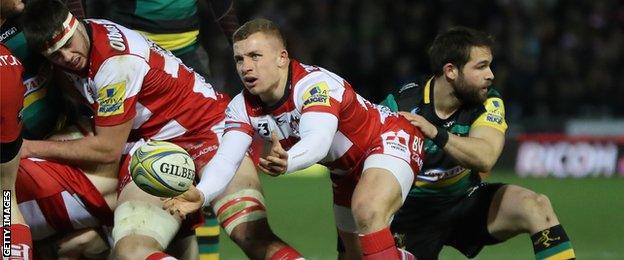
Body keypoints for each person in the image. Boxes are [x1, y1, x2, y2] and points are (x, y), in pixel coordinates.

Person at [19, 1, 298, 259]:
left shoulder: (116, 63)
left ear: (75, 25)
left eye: (69, 44)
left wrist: (27, 147)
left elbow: (106, 149)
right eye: (56, 55)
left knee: (248, 232)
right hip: (151, 148)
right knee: (130, 252)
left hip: (210, 129)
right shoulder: (84, 44)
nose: (67, 56)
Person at [163, 18, 424, 260]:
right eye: (239, 59)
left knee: (367, 210)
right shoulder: (240, 107)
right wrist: (202, 193)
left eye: (255, 56)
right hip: (344, 172)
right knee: (355, 256)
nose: (246, 67)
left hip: (388, 137)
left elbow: (318, 139)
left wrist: (289, 160)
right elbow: (226, 160)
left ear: (282, 58)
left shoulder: (314, 85)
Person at [379, 27, 575, 260]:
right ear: (451, 71)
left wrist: (435, 133)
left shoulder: (488, 100)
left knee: (536, 206)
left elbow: (486, 156)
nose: (491, 74)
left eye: (489, 65)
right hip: (412, 215)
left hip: (465, 202)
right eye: (481, 66)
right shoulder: (399, 106)